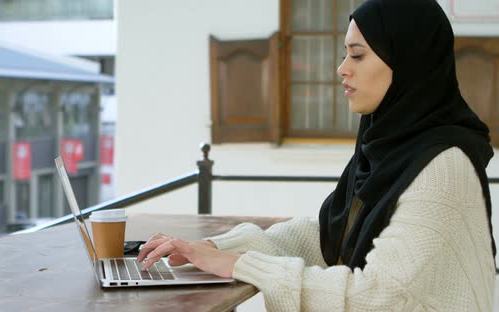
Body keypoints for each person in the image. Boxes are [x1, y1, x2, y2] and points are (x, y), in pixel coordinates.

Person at [138, 0, 497, 310]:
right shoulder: (388, 145)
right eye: (345, 54)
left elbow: (382, 298)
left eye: (357, 54)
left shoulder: (444, 167)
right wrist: (212, 248)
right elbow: (330, 238)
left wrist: (240, 264)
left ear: (407, 61)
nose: (342, 67)